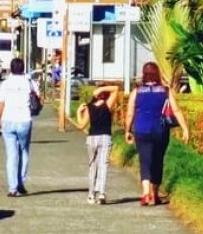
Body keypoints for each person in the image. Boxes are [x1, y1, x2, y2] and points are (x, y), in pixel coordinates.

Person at [125, 61, 189, 206]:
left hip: (141, 130)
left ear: (144, 75)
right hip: (160, 130)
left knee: (144, 160)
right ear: (157, 74)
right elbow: (176, 110)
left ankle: (145, 193)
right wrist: (185, 128)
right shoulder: (166, 91)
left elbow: (130, 113)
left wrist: (127, 130)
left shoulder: (137, 92)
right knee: (157, 160)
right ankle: (154, 195)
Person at [0, 56, 38, 198]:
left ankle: (12, 188)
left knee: (11, 155)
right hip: (24, 120)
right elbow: (39, 98)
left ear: (11, 69)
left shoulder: (5, 84)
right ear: (23, 68)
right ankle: (20, 182)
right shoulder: (29, 82)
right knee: (23, 151)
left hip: (8, 120)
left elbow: (1, 104)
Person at [76, 84, 119, 204]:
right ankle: (101, 193)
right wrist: (102, 89)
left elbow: (81, 126)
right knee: (103, 165)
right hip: (105, 137)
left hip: (92, 138)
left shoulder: (89, 108)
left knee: (92, 166)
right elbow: (115, 89)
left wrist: (79, 112)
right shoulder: (107, 105)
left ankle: (91, 195)